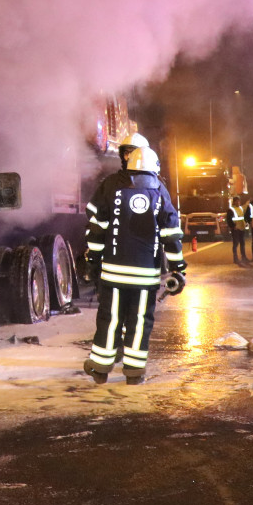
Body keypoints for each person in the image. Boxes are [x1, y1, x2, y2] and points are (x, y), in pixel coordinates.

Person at [82, 145, 184, 385]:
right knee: (139, 321)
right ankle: (134, 374)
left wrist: (92, 262)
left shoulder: (111, 185)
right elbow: (171, 233)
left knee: (110, 318)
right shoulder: (159, 189)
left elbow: (97, 228)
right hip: (145, 274)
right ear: (155, 167)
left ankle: (100, 369)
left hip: (114, 272)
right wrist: (179, 268)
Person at [226, 194, 250, 265]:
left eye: (238, 201)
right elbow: (229, 219)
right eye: (236, 201)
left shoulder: (241, 208)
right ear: (234, 202)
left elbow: (244, 215)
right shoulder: (231, 209)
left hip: (241, 228)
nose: (238, 202)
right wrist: (233, 226)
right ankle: (235, 258)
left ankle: (244, 257)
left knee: (242, 243)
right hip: (235, 229)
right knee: (236, 244)